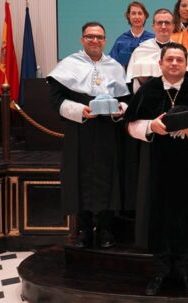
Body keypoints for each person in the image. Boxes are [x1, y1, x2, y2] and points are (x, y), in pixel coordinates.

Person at [125, 42, 188, 296]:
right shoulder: (148, 90)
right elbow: (131, 125)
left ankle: (187, 271)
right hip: (155, 165)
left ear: (186, 64)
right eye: (169, 60)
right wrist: (151, 127)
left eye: (179, 60)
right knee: (158, 217)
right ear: (160, 63)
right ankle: (161, 271)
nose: (174, 64)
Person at [47, 21, 129, 249]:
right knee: (79, 178)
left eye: (99, 37)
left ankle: (105, 229)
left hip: (107, 131)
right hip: (79, 129)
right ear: (82, 39)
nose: (95, 40)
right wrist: (79, 111)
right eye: (90, 36)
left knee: (108, 179)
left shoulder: (115, 66)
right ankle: (83, 230)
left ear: (105, 40)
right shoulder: (68, 64)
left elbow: (127, 100)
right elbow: (55, 100)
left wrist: (119, 110)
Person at [126, 8, 174, 92]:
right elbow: (131, 82)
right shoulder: (139, 51)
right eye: (159, 23)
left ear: (173, 26)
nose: (163, 26)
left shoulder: (180, 51)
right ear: (153, 26)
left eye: (167, 23)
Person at [109, 1, 155, 68]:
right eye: (133, 13)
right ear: (128, 16)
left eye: (140, 13)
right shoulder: (121, 41)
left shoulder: (152, 39)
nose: (137, 17)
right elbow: (112, 63)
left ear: (145, 16)